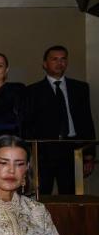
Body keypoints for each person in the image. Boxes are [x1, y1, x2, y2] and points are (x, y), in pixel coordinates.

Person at [25, 45, 96, 195]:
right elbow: (28, 124)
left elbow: (86, 121)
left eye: (63, 59)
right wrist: (30, 154)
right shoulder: (32, 91)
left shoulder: (80, 88)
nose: (59, 63)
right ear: (45, 64)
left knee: (70, 195)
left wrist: (89, 154)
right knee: (42, 194)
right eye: (54, 59)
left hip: (72, 149)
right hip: (44, 151)